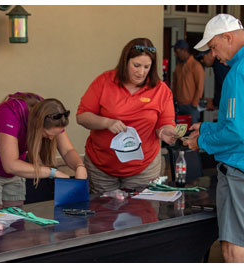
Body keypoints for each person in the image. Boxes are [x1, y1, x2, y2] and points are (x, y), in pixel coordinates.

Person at [184, 14, 244, 263]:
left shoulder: (239, 72)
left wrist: (200, 142)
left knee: (232, 251)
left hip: (243, 173)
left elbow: (236, 132)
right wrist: (205, 128)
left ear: (228, 37)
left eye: (214, 47)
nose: (214, 55)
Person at [76, 38, 178, 194]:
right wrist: (106, 122)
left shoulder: (161, 90)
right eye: (136, 65)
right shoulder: (104, 81)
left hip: (143, 168)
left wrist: (166, 132)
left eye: (146, 67)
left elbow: (164, 124)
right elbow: (82, 116)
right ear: (125, 62)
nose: (141, 72)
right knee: (103, 215)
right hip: (102, 167)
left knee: (142, 215)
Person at [0, 93, 87, 212]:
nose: (50, 139)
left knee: (15, 220)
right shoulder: (10, 113)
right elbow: (10, 165)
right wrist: (53, 172)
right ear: (37, 126)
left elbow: (67, 150)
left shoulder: (51, 114)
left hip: (16, 171)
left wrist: (79, 166)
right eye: (47, 135)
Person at [172, 40, 205, 124]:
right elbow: (175, 84)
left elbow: (200, 87)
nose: (175, 54)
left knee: (191, 133)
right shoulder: (178, 66)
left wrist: (194, 103)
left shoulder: (196, 66)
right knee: (178, 133)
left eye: (177, 52)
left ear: (184, 50)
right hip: (178, 106)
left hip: (191, 106)